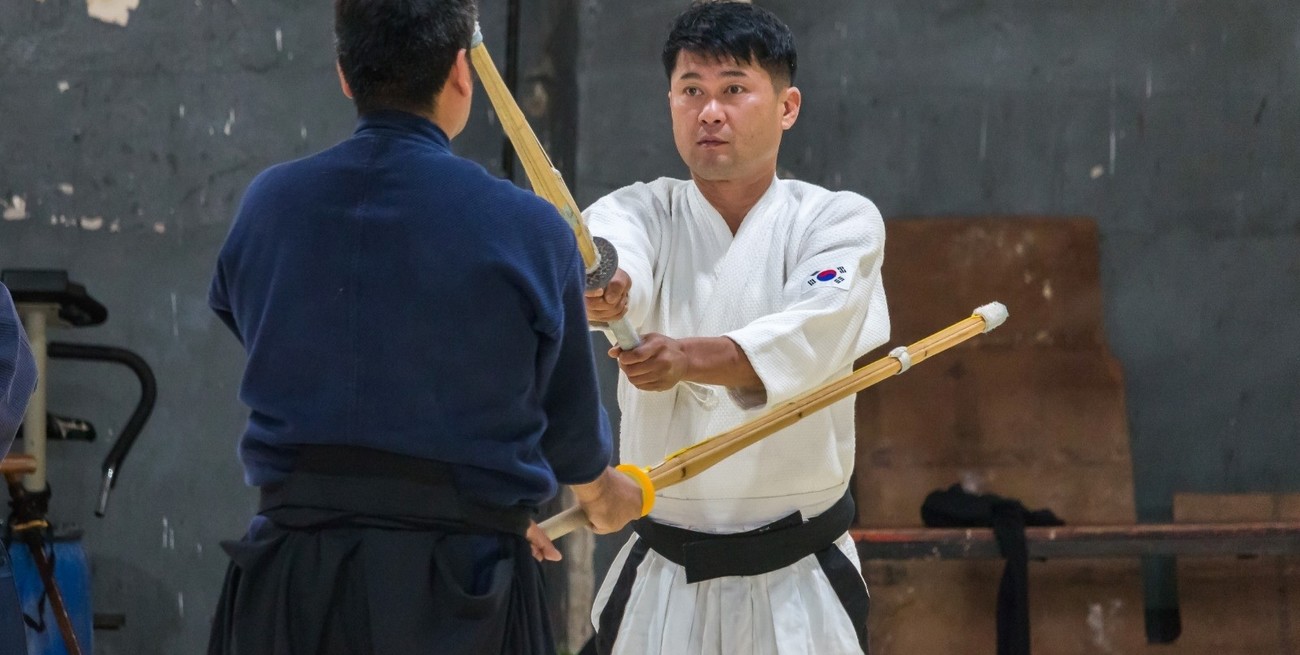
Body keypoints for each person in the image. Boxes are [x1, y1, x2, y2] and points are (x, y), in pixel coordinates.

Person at [205, 1, 643, 653]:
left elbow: (261, 326)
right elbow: (573, 443)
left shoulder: (269, 205)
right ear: (461, 72)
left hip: (292, 582)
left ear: (345, 73)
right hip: (458, 589)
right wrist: (610, 498)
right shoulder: (527, 230)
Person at [581, 3, 890, 654]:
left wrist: (687, 358)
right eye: (691, 91)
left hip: (799, 579)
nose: (710, 112)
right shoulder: (639, 210)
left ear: (787, 106)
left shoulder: (838, 221)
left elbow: (816, 329)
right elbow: (613, 250)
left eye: (733, 89)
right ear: (670, 102)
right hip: (663, 573)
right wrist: (608, 287)